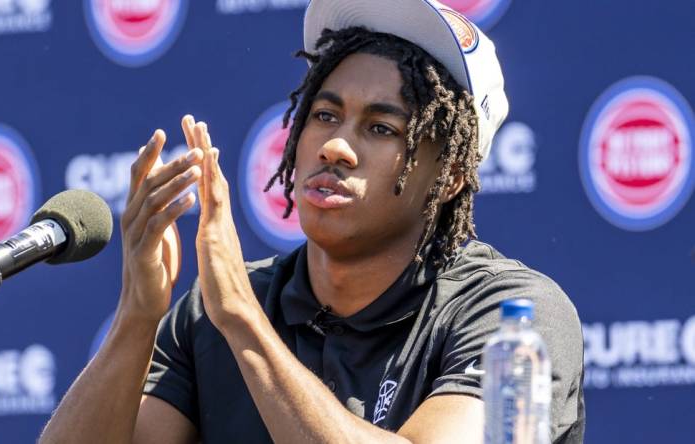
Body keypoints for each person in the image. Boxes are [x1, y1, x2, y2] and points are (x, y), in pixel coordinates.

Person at [39, 0, 584, 443]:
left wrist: (244, 323)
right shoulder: (214, 312)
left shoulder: (513, 315)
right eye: (325, 116)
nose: (337, 147)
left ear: (451, 177)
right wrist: (138, 314)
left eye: (381, 129)